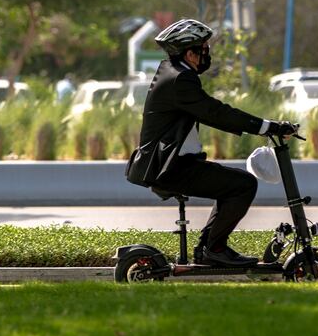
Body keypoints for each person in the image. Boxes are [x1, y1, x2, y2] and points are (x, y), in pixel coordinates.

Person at [125, 19, 297, 267]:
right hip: (169, 168)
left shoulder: (172, 71)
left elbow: (210, 112)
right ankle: (213, 248)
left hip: (171, 164)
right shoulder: (181, 79)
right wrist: (266, 126)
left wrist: (262, 127)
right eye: (204, 48)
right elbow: (215, 112)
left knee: (232, 184)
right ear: (190, 52)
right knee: (243, 184)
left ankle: (209, 248)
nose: (208, 54)